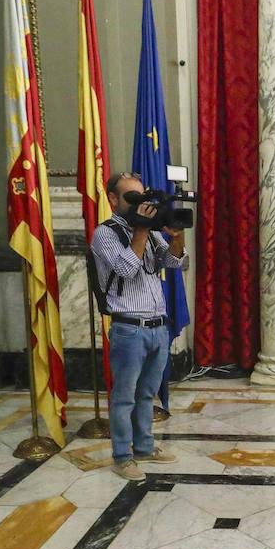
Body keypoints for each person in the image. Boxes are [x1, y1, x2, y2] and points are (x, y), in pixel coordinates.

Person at [90, 171, 186, 481]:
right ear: (113, 199)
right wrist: (142, 229)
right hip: (128, 329)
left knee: (147, 395)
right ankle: (122, 456)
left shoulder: (150, 230)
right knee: (124, 397)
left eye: (142, 196)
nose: (140, 204)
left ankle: (144, 447)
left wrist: (177, 235)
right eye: (132, 198)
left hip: (158, 327)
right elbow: (125, 269)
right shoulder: (104, 233)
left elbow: (175, 263)